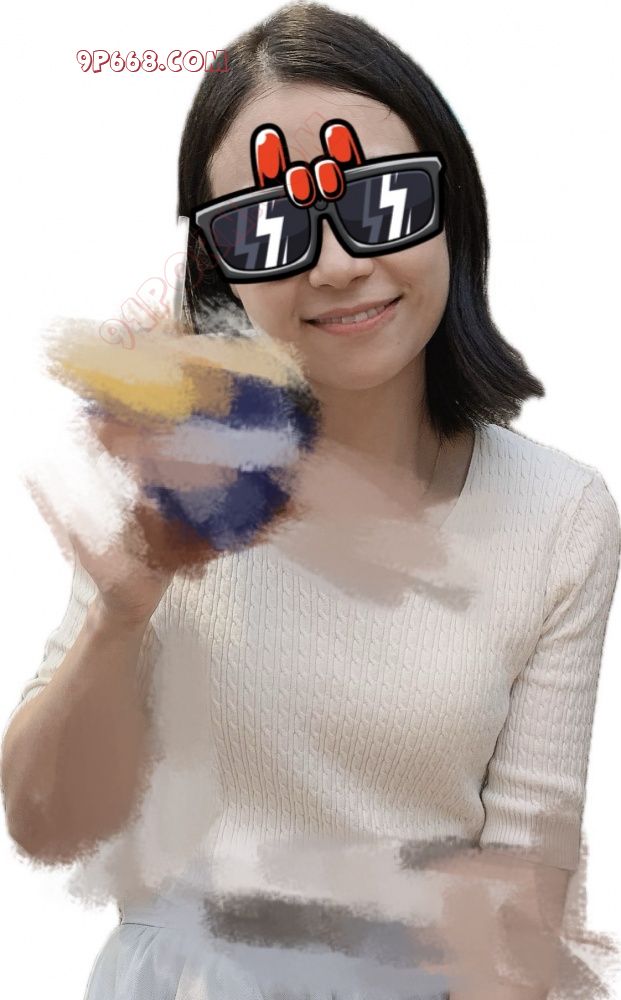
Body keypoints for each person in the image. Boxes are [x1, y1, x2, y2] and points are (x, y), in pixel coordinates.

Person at [2, 3, 620, 998]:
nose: (337, 265)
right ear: (218, 265)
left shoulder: (560, 514)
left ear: (452, 205)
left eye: (382, 202)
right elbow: (43, 823)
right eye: (270, 226)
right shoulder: (174, 470)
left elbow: (517, 914)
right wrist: (121, 611)